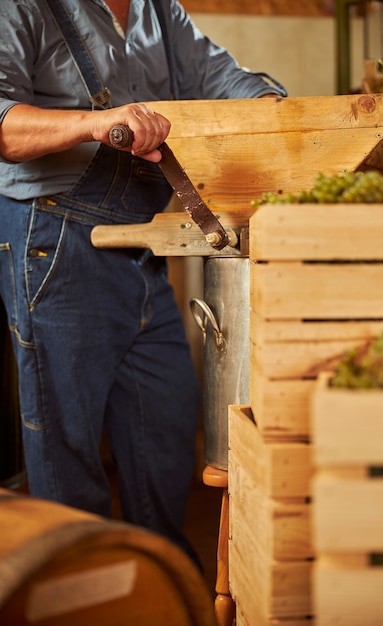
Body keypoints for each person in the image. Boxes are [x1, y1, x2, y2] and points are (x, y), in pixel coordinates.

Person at [0, 0, 286, 564]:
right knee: (68, 445)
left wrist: (275, 112)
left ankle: (157, 582)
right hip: (55, 240)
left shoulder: (160, 13)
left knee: (167, 424)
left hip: (140, 248)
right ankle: (78, 592)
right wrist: (94, 124)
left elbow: (227, 79)